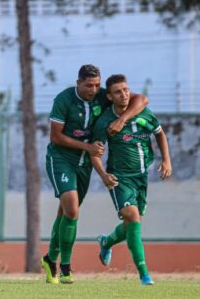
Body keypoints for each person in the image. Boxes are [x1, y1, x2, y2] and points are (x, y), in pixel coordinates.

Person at [41, 65, 149, 284]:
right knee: (72, 209)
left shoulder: (102, 97)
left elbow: (142, 100)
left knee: (65, 213)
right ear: (78, 82)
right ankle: (66, 267)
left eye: (97, 85)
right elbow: (55, 137)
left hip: (84, 164)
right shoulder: (63, 100)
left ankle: (50, 258)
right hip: (62, 159)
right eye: (89, 85)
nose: (93, 89)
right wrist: (88, 147)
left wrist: (122, 119)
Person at [91, 74, 172, 286]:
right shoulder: (105, 121)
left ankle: (106, 241)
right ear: (109, 96)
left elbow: (160, 134)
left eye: (126, 90)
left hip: (141, 176)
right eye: (118, 91)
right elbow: (95, 153)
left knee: (131, 224)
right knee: (133, 217)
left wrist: (166, 160)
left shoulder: (144, 114)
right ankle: (144, 274)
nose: (124, 94)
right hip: (119, 178)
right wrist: (103, 175)